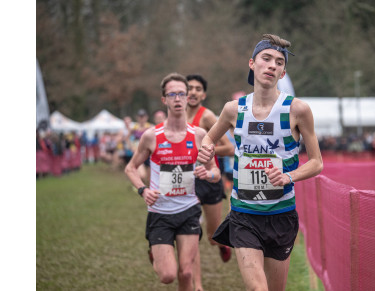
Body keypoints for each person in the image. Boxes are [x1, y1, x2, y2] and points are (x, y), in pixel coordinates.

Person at [197, 34, 323, 290]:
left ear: (283, 72)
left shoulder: (297, 110)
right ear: (252, 64)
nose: (272, 65)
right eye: (266, 59)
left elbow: (316, 162)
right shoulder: (234, 109)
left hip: (281, 214)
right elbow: (209, 137)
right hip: (244, 214)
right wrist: (206, 150)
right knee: (258, 288)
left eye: (278, 62)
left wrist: (289, 177)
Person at [124, 73, 221, 290]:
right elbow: (130, 168)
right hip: (160, 213)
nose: (177, 99)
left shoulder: (199, 135)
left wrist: (208, 175)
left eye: (181, 94)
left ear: (188, 98)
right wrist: (142, 190)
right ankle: (156, 251)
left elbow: (215, 171)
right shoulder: (151, 136)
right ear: (164, 99)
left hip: (189, 210)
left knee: (186, 272)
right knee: (167, 275)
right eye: (172, 94)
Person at [185, 74, 235, 291]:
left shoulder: (207, 117)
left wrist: (205, 151)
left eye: (197, 89)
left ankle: (221, 243)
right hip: (188, 181)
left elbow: (229, 148)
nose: (193, 92)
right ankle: (197, 285)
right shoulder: (176, 118)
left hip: (210, 178)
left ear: (203, 95)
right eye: (189, 88)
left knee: (213, 236)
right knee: (191, 233)